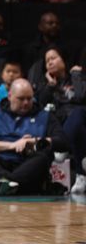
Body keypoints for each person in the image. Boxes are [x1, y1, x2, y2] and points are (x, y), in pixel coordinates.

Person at [0, 78, 67, 195]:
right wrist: (12, 145)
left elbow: (63, 141)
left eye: (29, 99)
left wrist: (34, 141)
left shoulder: (45, 116)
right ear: (10, 96)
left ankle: (2, 185)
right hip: (1, 162)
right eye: (21, 99)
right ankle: (5, 183)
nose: (26, 103)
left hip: (27, 164)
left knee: (43, 158)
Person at [35, 47, 86, 194]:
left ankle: (62, 146)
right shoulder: (48, 85)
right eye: (47, 61)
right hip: (67, 124)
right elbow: (39, 103)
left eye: (54, 58)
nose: (50, 62)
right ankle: (81, 175)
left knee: (77, 112)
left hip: (82, 114)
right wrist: (50, 86)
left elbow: (81, 97)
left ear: (64, 60)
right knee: (77, 130)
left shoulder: (78, 76)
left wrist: (76, 75)